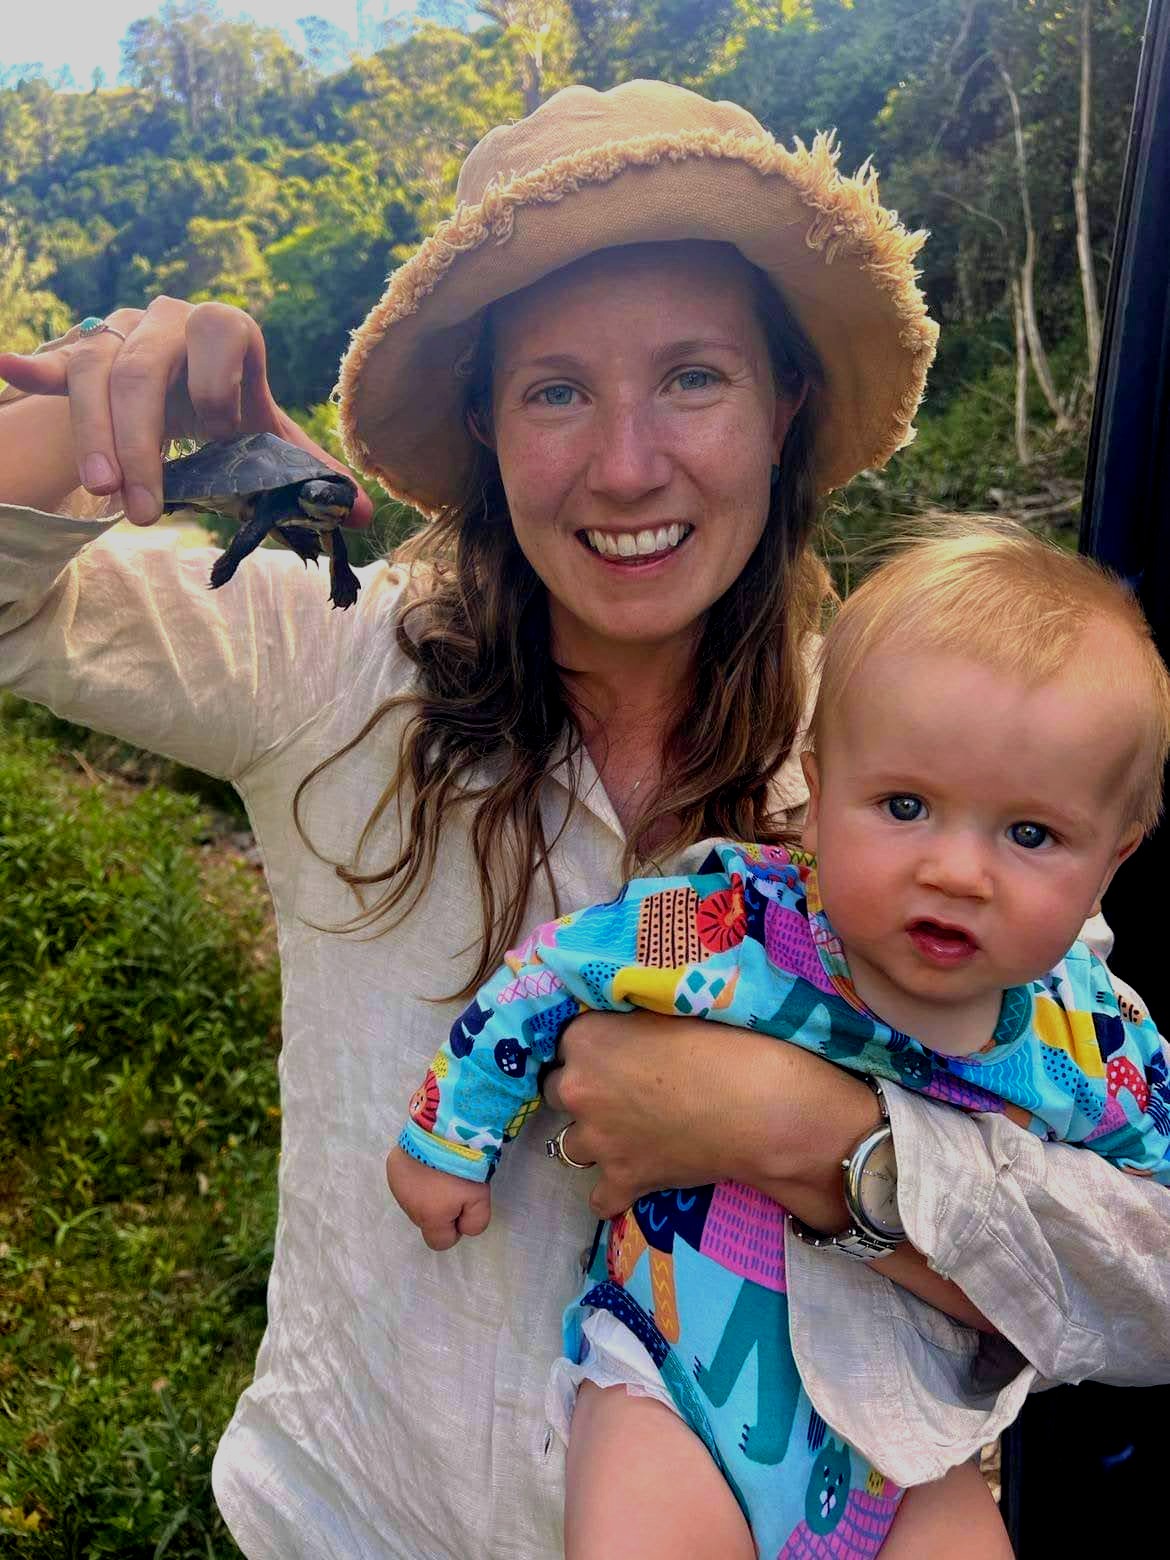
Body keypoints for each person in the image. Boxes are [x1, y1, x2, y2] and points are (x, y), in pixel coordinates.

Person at [0, 80, 1167, 1560]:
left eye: (691, 377)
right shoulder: (328, 667)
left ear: (784, 404)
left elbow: (1145, 1274)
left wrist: (825, 1149)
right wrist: (108, 427)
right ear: (486, 425)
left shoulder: (915, 772)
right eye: (555, 390)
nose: (625, 466)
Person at [388, 520, 1170, 1558]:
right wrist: (451, 1136)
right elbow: (564, 964)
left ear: (1110, 860)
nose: (957, 870)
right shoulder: (739, 922)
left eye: (1029, 835)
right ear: (817, 787)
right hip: (675, 1386)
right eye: (904, 806)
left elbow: (1148, 1216)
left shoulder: (1096, 1040)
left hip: (913, 1448)